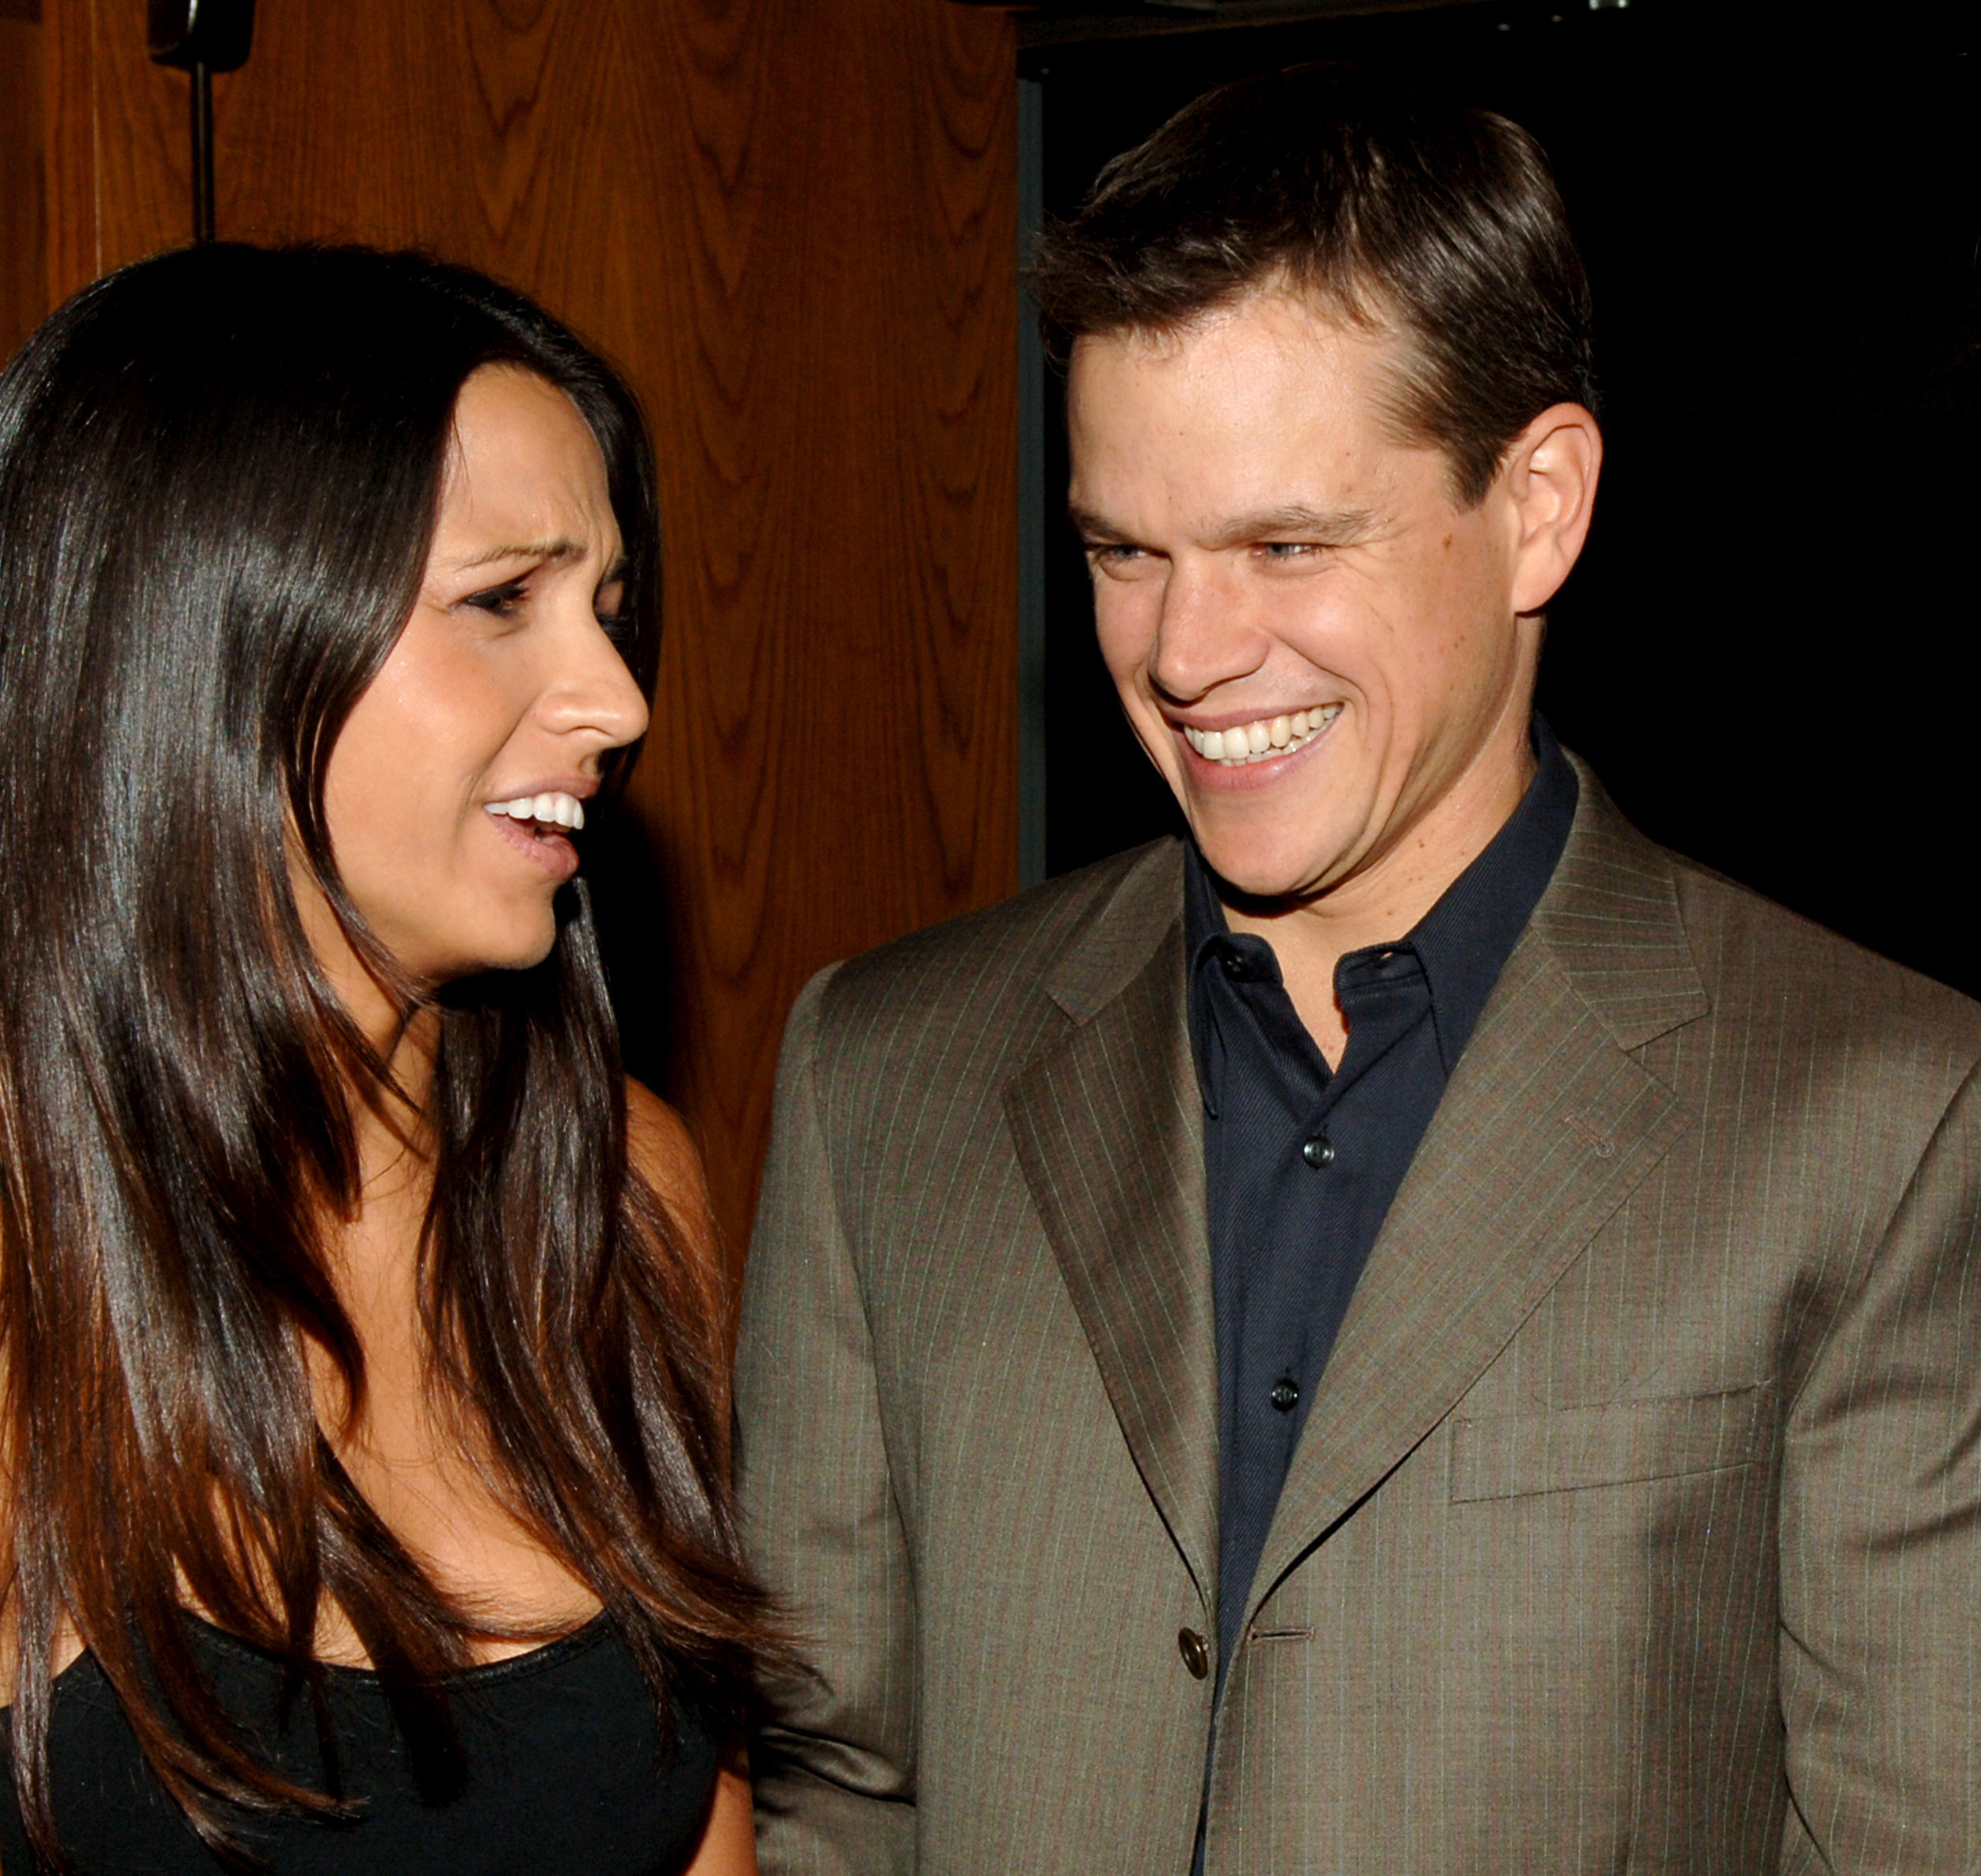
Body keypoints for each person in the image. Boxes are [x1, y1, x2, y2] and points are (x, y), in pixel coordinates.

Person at [735, 64, 1981, 1874]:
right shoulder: (882, 1068)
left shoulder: (1879, 1112)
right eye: (1123, 553)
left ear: (1540, 506)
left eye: (1286, 545)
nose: (1186, 650)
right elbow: (831, 1796)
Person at [0, 243, 781, 1875]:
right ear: (218, 638)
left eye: (607, 609)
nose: (613, 696)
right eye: (500, 601)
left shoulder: (612, 1180)